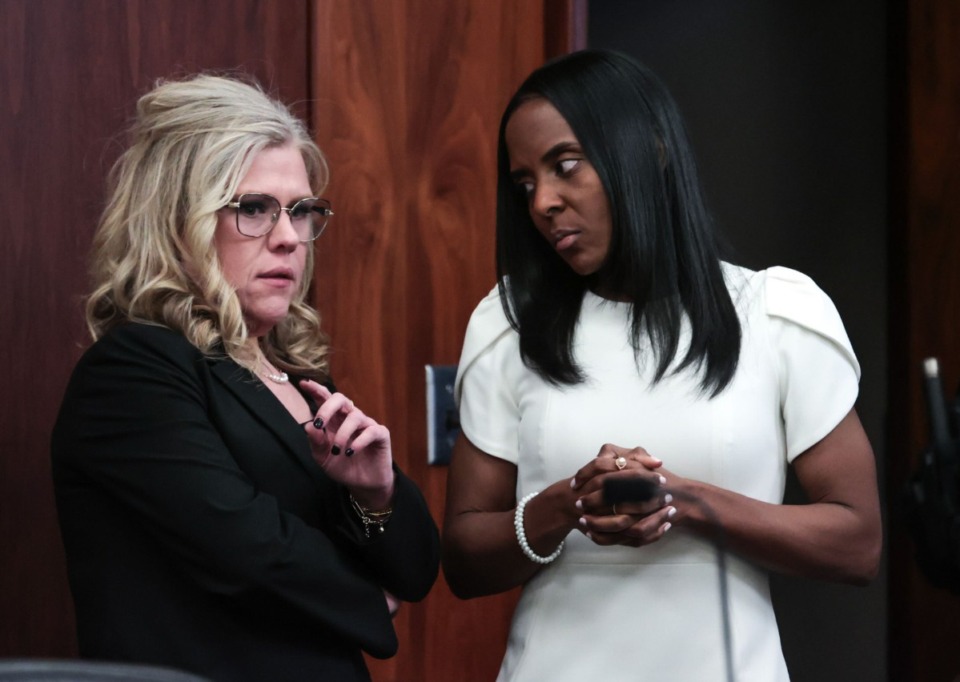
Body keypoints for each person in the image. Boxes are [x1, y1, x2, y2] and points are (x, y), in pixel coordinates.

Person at [441, 49, 882, 681]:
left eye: (565, 166)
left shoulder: (776, 313)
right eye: (525, 184)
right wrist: (570, 503)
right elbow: (463, 560)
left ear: (649, 150)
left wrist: (683, 500)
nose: (543, 202)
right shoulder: (510, 323)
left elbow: (857, 542)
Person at [51, 74, 440, 682]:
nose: (289, 238)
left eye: (302, 212)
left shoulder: (298, 372)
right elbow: (245, 550)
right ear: (178, 220)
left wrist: (375, 495)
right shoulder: (132, 372)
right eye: (254, 209)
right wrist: (367, 594)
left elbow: (415, 571)